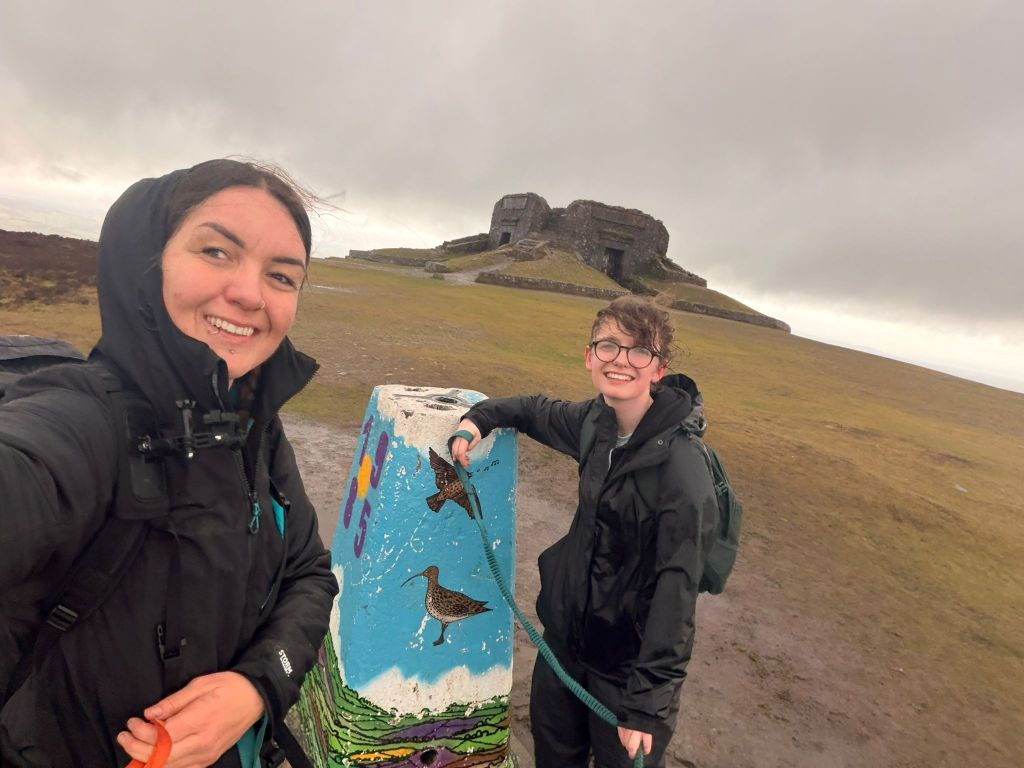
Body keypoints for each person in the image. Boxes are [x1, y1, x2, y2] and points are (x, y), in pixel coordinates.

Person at [0, 159, 338, 767]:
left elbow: (310, 574)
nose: (249, 293)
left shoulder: (255, 426)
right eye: (216, 251)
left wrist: (256, 687)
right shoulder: (84, 421)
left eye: (282, 276)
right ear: (146, 262)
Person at [450, 296, 719, 768]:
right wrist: (479, 420)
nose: (621, 361)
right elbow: (534, 410)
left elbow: (677, 593)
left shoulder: (682, 467)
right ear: (589, 355)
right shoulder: (594, 423)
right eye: (609, 346)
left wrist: (646, 708)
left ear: (659, 369)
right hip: (565, 648)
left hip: (626, 675)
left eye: (639, 351)